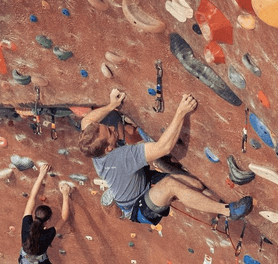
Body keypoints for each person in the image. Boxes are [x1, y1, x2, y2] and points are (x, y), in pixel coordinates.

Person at [78, 89, 253, 225]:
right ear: (108, 148)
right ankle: (229, 212)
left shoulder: (96, 148)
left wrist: (111, 106)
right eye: (109, 132)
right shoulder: (122, 158)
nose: (112, 129)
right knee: (171, 186)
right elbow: (164, 147)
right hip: (137, 208)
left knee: (196, 184)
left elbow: (86, 122)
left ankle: (208, 201)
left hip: (142, 181)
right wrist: (181, 111)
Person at [20, 163, 72, 264]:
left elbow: (32, 198)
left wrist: (41, 174)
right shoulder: (48, 233)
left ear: (35, 215)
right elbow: (64, 217)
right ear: (48, 221)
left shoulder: (26, 223)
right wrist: (65, 194)